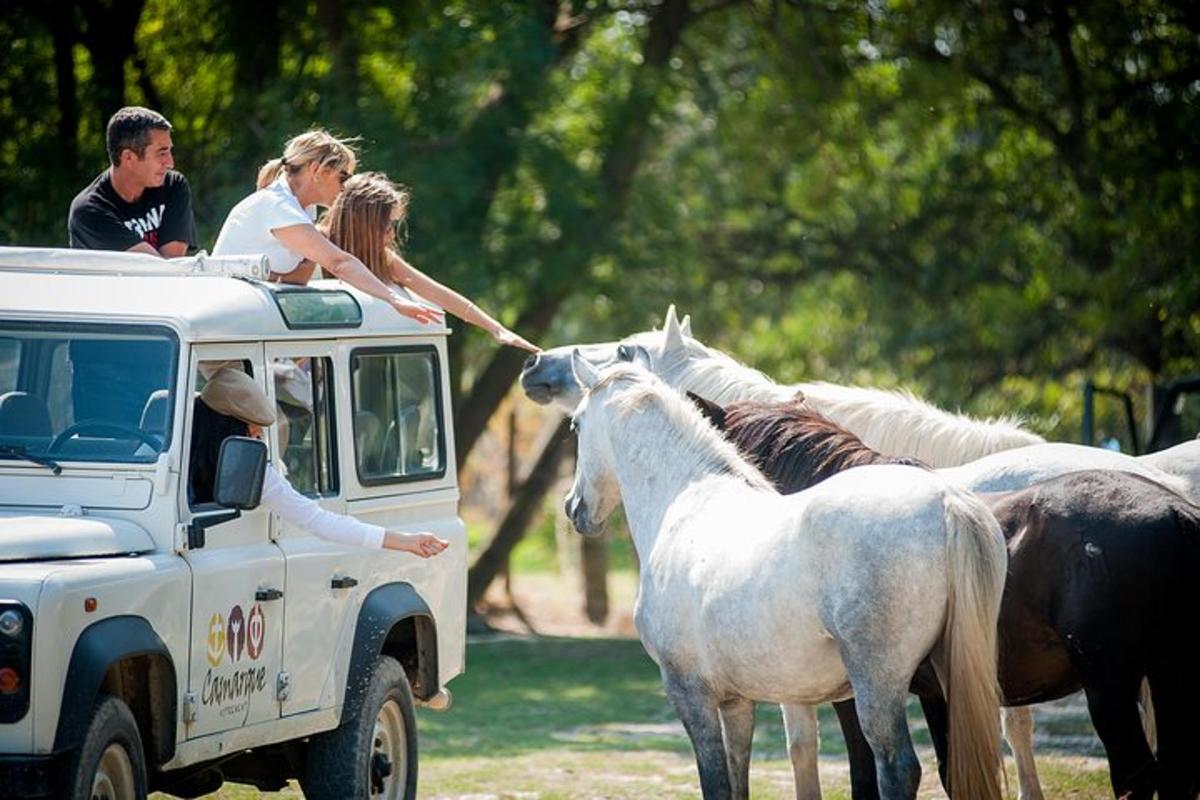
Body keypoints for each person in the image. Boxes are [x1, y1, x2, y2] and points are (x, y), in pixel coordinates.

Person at [190, 367, 448, 557]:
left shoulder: (256, 474)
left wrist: (406, 541)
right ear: (227, 428)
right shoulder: (165, 455)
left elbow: (321, 521)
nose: (258, 438)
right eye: (252, 431)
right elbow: (320, 522)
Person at [212, 130, 440, 326]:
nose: (346, 187)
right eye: (343, 177)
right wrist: (393, 299)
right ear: (316, 170)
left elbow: (298, 278)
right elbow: (339, 262)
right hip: (224, 327)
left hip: (241, 325)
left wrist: (273, 275)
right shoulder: (279, 207)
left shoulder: (301, 210)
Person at [323, 172, 539, 352]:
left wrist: (496, 329)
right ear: (363, 223)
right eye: (387, 226)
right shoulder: (315, 244)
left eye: (394, 226)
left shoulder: (384, 258)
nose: (392, 236)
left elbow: (436, 292)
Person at [68, 106, 196, 256]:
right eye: (161, 153)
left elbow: (172, 263)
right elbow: (154, 270)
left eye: (169, 151)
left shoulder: (173, 186)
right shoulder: (88, 211)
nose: (170, 163)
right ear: (129, 157)